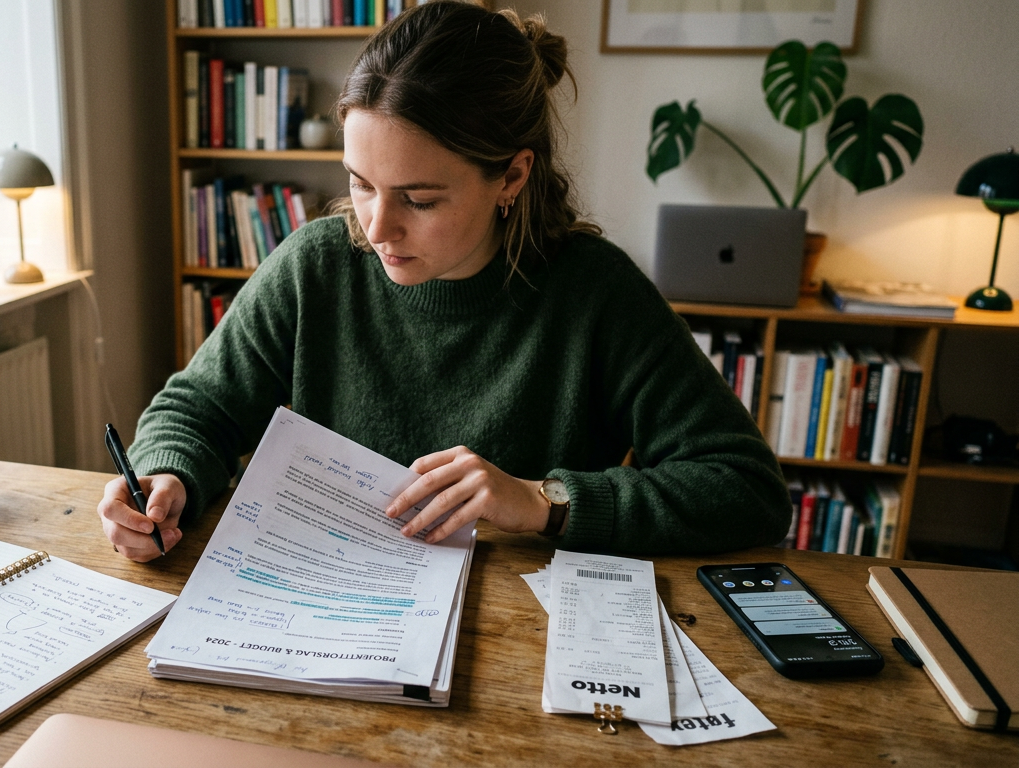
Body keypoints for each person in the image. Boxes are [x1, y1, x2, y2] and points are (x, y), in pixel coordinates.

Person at [100, 1, 790, 562]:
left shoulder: (594, 294)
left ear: (512, 178)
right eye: (359, 185)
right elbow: (197, 411)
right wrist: (168, 478)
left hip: (521, 644)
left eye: (419, 200)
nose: (377, 228)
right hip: (320, 605)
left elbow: (744, 489)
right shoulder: (318, 264)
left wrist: (541, 501)